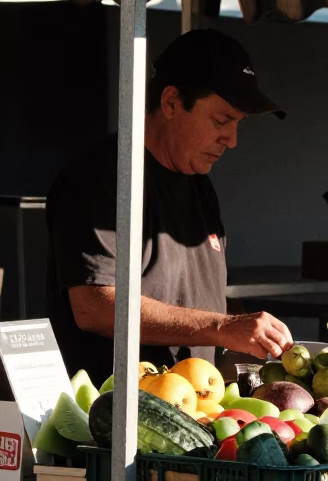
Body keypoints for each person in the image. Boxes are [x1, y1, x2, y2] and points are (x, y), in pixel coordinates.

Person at [46, 28, 293, 384]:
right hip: (115, 416)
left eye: (238, 124)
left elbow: (201, 300)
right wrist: (223, 327)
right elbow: (94, 307)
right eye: (221, 120)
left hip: (195, 407)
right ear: (172, 102)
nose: (232, 140)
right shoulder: (101, 178)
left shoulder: (199, 185)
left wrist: (254, 331)